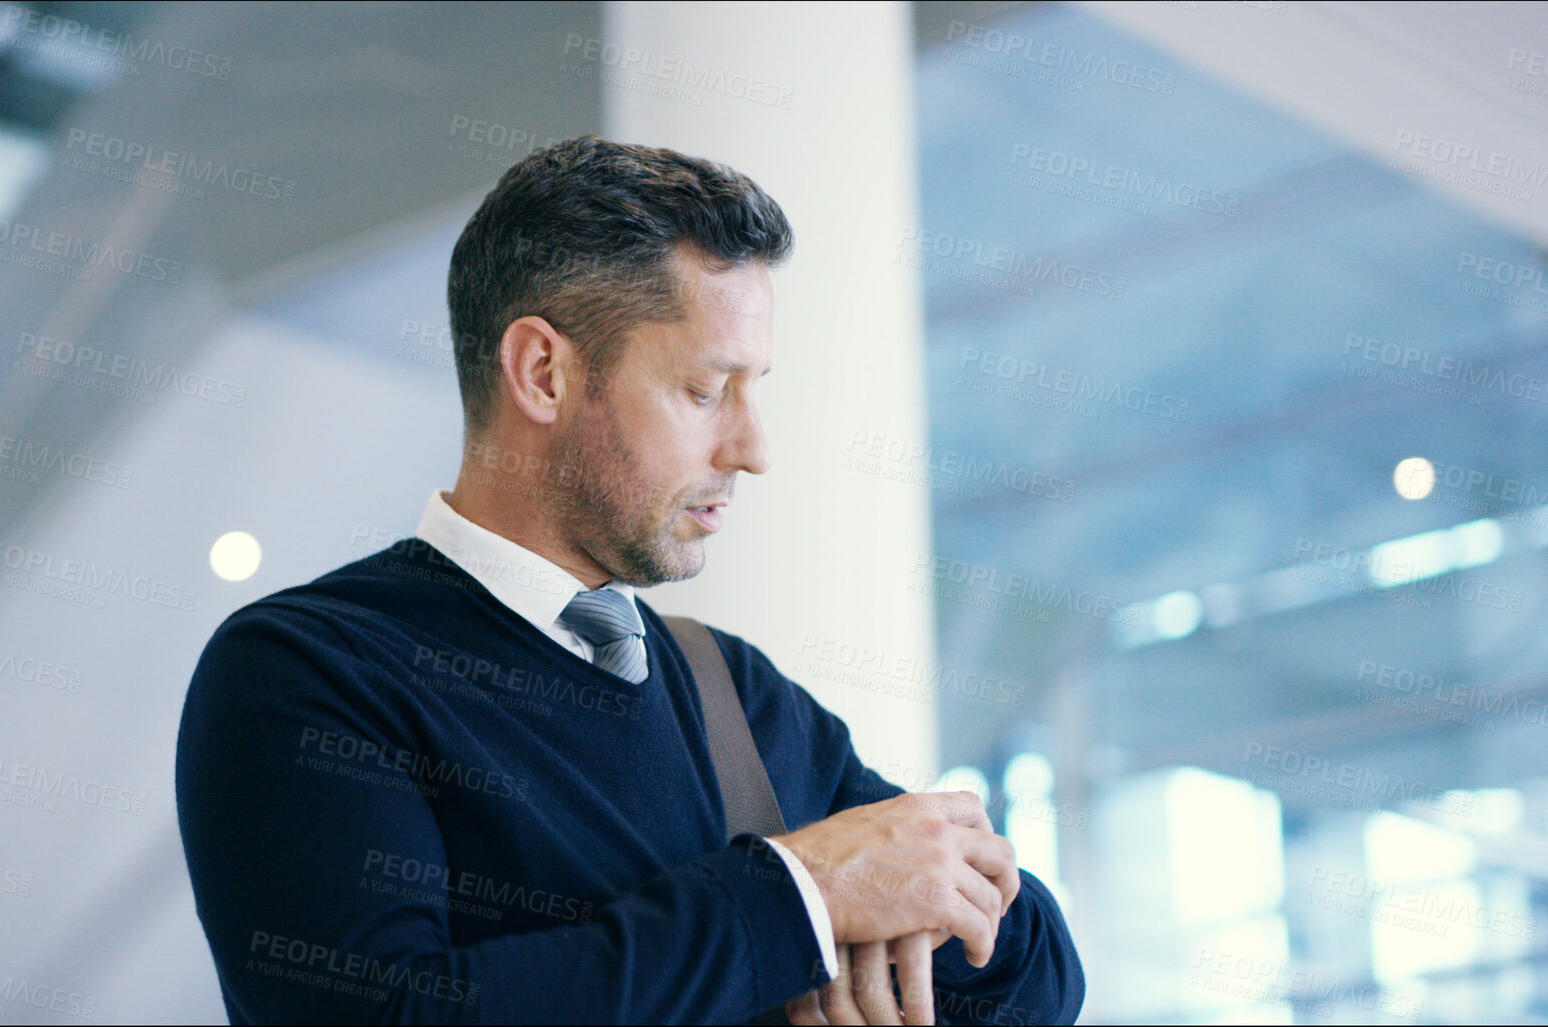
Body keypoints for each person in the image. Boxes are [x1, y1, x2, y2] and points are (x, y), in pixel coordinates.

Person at [176, 135, 1084, 1024]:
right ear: (543, 372)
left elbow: (1036, 989)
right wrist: (804, 897)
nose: (753, 448)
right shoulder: (308, 672)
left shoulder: (730, 690)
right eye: (703, 390)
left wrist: (926, 882)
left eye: (753, 386)